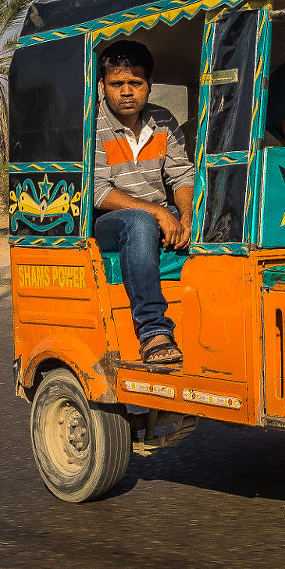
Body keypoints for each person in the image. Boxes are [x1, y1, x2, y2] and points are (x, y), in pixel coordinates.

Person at [92, 40, 194, 365]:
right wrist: (159, 212)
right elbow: (97, 191)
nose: (126, 91)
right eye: (116, 84)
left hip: (158, 213)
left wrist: (187, 218)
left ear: (149, 85)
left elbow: (181, 175)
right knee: (140, 222)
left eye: (135, 83)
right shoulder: (92, 126)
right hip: (110, 221)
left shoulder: (163, 121)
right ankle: (153, 331)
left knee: (216, 214)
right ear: (101, 86)